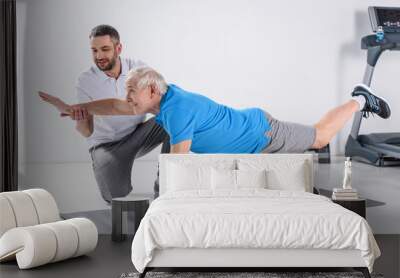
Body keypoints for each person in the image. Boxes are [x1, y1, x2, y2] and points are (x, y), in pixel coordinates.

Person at [40, 67, 391, 156]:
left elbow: (178, 164)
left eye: (132, 93)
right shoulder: (164, 98)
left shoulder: (175, 111)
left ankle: (360, 99)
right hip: (253, 125)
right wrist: (77, 108)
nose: (128, 101)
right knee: (318, 135)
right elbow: (116, 106)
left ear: (149, 90)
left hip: (261, 133)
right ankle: (359, 100)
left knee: (320, 137)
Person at [39, 26, 169, 202]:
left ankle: (163, 191)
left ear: (118, 48)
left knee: (173, 117)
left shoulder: (139, 69)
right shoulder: (86, 81)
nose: (99, 56)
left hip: (138, 135)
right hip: (106, 147)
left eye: (105, 49)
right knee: (116, 199)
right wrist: (80, 117)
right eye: (94, 50)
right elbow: (86, 132)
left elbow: (161, 101)